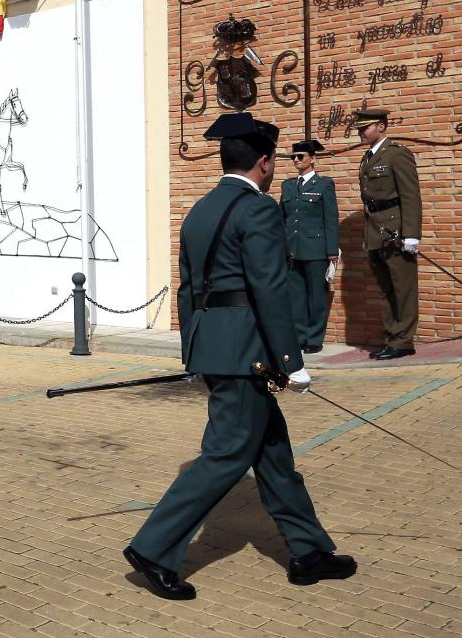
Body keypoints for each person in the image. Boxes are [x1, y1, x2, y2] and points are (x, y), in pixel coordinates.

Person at [124, 111, 353, 601]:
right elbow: (270, 289)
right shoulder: (259, 208)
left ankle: (308, 549)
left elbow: (189, 291)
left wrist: (195, 352)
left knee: (272, 454)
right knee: (227, 455)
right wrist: (292, 361)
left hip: (215, 344)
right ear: (265, 163)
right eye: (274, 162)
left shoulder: (200, 208)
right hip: (246, 349)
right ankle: (153, 548)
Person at [354, 108, 422, 360]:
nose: (361, 132)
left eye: (365, 128)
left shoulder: (397, 155)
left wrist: (411, 234)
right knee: (386, 288)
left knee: (403, 288)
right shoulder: (369, 157)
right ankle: (393, 338)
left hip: (396, 231)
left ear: (381, 126)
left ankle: (403, 340)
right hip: (376, 231)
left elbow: (410, 195)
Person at [280, 140, 339, 354]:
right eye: (293, 157)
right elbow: (283, 218)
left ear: (313, 159)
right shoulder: (287, 186)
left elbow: (330, 219)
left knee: (316, 297)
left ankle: (314, 338)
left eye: (300, 156)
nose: (296, 160)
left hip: (316, 249)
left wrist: (332, 250)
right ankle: (299, 336)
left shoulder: (323, 184)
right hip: (292, 249)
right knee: (296, 296)